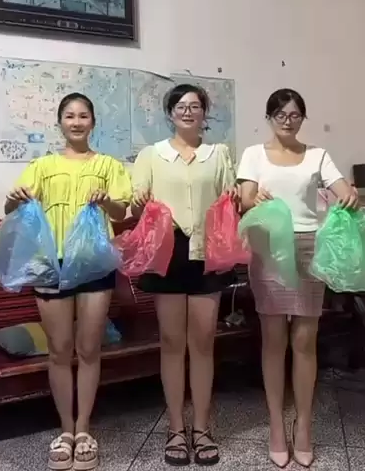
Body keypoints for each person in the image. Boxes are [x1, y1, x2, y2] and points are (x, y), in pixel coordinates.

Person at [4, 92, 132, 471]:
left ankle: (84, 430)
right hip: (50, 264)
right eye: (70, 116)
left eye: (83, 115)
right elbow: (12, 207)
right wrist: (14, 198)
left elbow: (120, 211)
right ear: (60, 122)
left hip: (93, 264)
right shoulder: (42, 166)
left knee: (89, 349)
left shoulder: (108, 165)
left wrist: (106, 200)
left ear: (93, 122)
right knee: (59, 350)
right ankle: (65, 431)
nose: (77, 122)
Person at [237, 88, 357, 468]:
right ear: (269, 117)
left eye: (294, 115)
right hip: (269, 247)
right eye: (280, 115)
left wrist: (349, 196)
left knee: (305, 340)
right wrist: (254, 199)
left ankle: (303, 425)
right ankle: (276, 424)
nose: (287, 121)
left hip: (308, 248)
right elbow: (245, 198)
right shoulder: (253, 154)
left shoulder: (318, 154)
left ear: (302, 118)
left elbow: (342, 190)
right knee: (274, 340)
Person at [131, 83, 236, 466]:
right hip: (168, 251)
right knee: (173, 343)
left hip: (207, 251)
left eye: (195, 106)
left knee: (204, 342)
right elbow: (136, 202)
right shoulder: (151, 155)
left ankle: (202, 428)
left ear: (204, 113)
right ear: (170, 113)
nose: (188, 111)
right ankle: (176, 428)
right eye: (181, 106)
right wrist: (138, 201)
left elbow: (231, 199)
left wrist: (243, 198)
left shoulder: (218, 154)